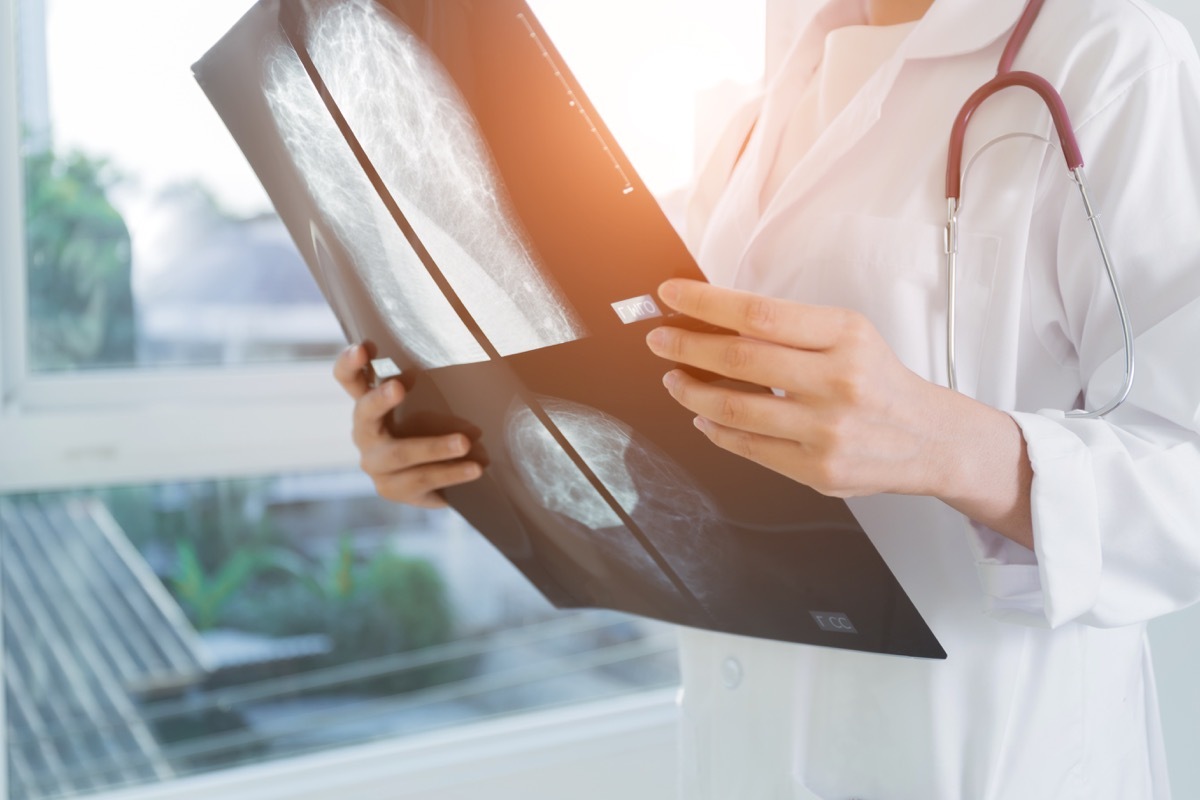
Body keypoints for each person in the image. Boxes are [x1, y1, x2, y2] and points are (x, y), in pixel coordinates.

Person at [333, 0, 1200, 796]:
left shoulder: (1112, 58)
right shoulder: (760, 100)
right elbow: (674, 403)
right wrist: (465, 437)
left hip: (996, 753)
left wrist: (950, 447)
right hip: (740, 747)